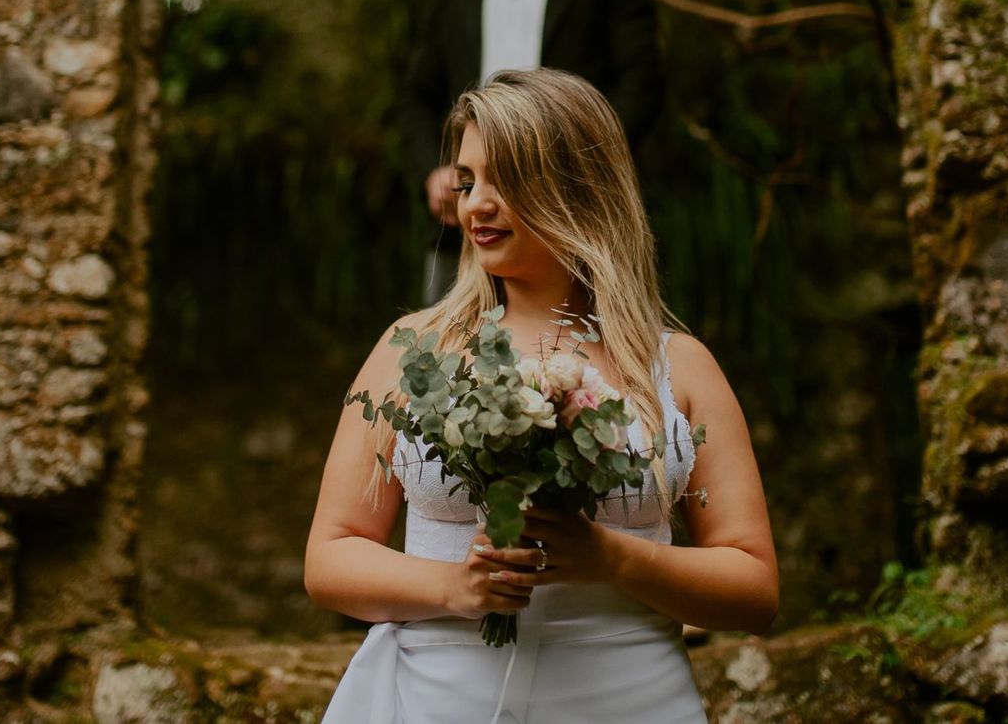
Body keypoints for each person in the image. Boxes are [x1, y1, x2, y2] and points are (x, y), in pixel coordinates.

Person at [308, 69, 777, 723]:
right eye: (467, 182)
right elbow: (330, 555)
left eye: (505, 178)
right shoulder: (413, 350)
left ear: (580, 186)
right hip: (435, 699)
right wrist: (457, 586)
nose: (476, 204)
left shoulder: (678, 367)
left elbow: (755, 589)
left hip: (629, 698)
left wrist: (612, 556)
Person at [397, 0, 663, 306]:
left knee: (582, 368)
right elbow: (416, 94)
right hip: (467, 226)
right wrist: (432, 172)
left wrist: (578, 166)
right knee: (447, 370)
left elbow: (642, 87)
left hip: (575, 217)